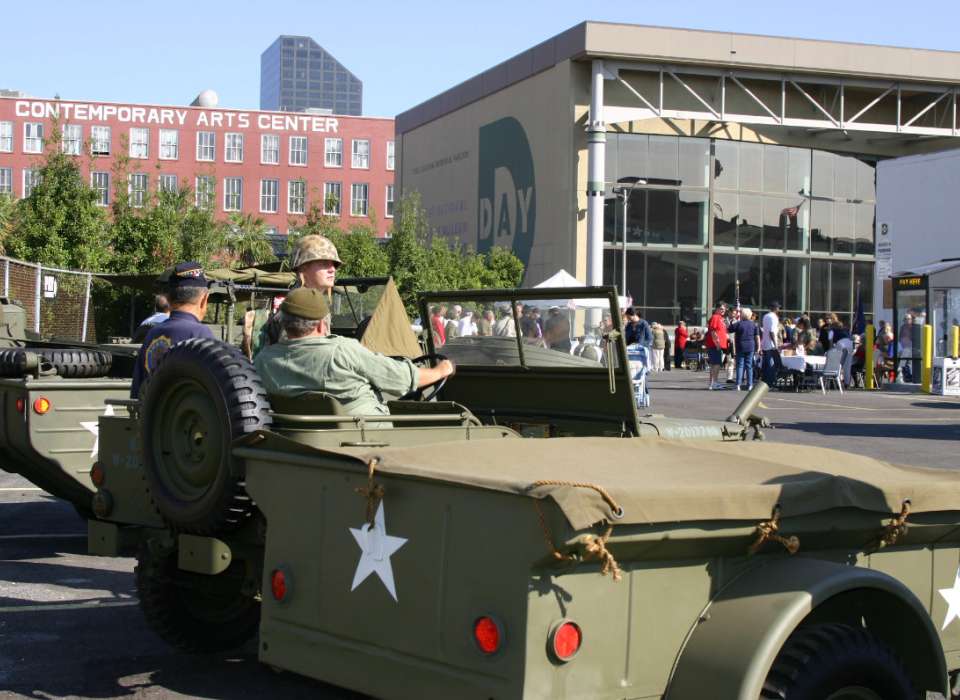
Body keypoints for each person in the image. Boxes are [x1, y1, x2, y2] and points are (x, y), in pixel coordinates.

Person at [255, 288, 456, 422]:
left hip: (299, 440)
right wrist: (441, 370)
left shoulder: (264, 360)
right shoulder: (341, 350)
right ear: (320, 324)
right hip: (365, 439)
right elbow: (402, 378)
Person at [252, 234, 343, 357]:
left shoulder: (312, 301)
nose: (332, 269)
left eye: (334, 264)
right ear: (303, 268)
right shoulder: (297, 306)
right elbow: (293, 356)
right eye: (324, 263)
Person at [131, 262, 214, 397]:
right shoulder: (201, 334)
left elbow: (137, 391)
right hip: (186, 416)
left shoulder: (152, 334)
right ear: (204, 299)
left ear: (168, 299)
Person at [728, 307, 760, 391]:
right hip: (750, 346)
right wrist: (759, 347)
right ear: (750, 315)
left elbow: (729, 329)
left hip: (740, 346)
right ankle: (750, 384)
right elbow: (757, 337)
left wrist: (732, 321)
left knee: (740, 366)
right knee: (749, 366)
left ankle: (738, 384)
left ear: (742, 315)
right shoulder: (754, 324)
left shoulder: (738, 324)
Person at [705, 301, 728, 389]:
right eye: (721, 309)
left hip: (716, 345)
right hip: (715, 345)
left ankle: (712, 383)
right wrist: (717, 343)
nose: (723, 310)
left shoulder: (720, 318)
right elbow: (713, 331)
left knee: (714, 364)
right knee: (717, 364)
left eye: (724, 309)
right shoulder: (716, 317)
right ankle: (715, 382)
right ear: (717, 309)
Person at [760, 300, 782, 387]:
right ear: (775, 308)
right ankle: (770, 382)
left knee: (766, 363)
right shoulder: (774, 317)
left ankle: (764, 381)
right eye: (778, 308)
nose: (779, 309)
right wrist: (775, 344)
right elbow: (772, 332)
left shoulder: (765, 316)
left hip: (765, 343)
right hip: (771, 344)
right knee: (771, 364)